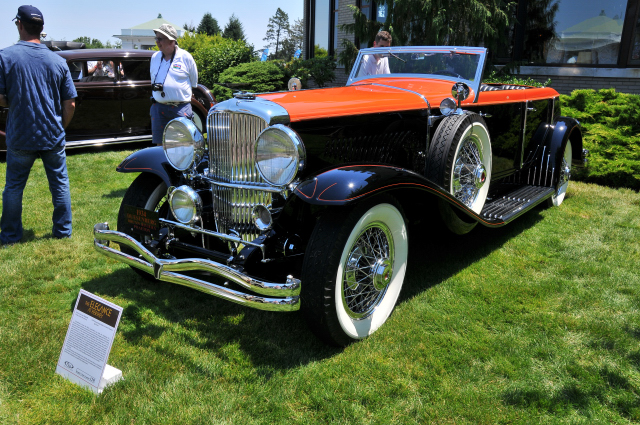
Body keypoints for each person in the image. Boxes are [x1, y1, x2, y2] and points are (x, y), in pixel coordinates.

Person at [0, 5, 77, 245]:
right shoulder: (58, 61)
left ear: (19, 25)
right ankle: (63, 231)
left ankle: (11, 235)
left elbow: (1, 98)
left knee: (13, 187)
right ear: (41, 30)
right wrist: (60, 127)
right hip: (52, 135)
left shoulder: (5, 57)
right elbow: (70, 103)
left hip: (21, 135)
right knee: (60, 184)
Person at [150, 23, 198, 145]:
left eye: (160, 39)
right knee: (160, 145)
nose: (157, 42)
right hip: (159, 108)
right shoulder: (155, 57)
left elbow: (193, 81)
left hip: (180, 108)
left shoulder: (185, 57)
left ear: (171, 40)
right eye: (156, 38)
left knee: (183, 144)